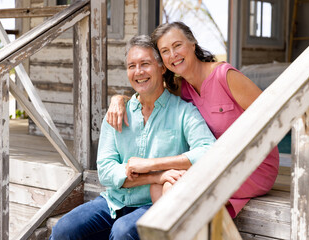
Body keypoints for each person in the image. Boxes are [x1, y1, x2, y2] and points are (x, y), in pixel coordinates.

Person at [50, 35, 215, 240]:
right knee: (64, 228)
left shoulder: (183, 112)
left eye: (145, 64)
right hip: (113, 201)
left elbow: (209, 150)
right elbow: (106, 171)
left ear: (162, 68)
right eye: (132, 66)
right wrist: (156, 176)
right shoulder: (117, 112)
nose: (138, 72)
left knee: (123, 231)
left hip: (153, 203)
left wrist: (150, 164)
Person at [107, 22, 280, 218]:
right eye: (165, 51)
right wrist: (118, 99)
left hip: (252, 164)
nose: (173, 55)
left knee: (173, 188)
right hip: (213, 164)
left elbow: (272, 114)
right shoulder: (181, 87)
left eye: (177, 45)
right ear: (162, 61)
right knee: (160, 187)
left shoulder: (225, 76)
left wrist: (149, 164)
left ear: (193, 43)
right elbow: (148, 94)